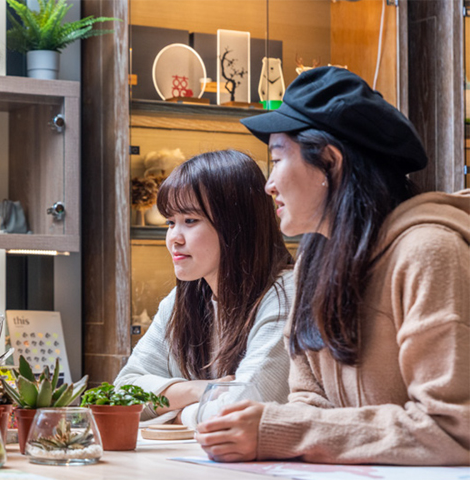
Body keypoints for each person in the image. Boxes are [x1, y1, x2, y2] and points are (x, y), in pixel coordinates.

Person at [196, 67, 470, 465]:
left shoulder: (430, 252)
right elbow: (310, 402)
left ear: (329, 161)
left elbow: (453, 429)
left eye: (276, 159)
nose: (268, 184)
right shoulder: (314, 259)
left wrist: (283, 431)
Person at [115, 150, 295, 427]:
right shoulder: (181, 301)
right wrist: (199, 390)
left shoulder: (286, 295)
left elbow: (239, 409)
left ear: (237, 224)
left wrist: (178, 413)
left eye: (190, 221)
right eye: (170, 222)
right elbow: (120, 393)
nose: (174, 238)